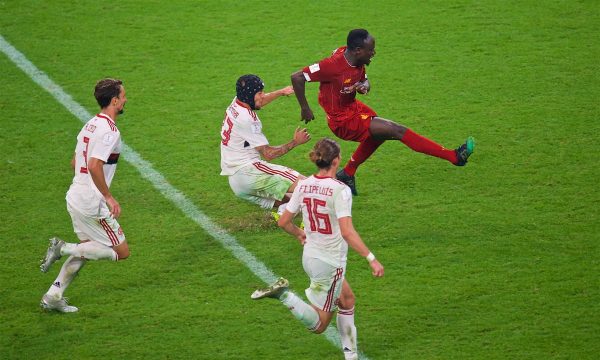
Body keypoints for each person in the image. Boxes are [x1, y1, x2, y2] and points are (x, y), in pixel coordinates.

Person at [291, 28, 475, 195]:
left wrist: (363, 85)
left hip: (354, 108)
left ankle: (347, 173)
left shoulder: (355, 58)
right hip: (342, 121)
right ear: (357, 51)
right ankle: (454, 156)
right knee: (396, 130)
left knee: (378, 135)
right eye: (370, 50)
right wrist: (305, 108)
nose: (374, 53)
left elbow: (365, 81)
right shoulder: (333, 64)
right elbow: (297, 77)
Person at [251, 138, 384, 360]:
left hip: (310, 256)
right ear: (336, 160)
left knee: (347, 300)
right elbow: (347, 232)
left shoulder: (303, 185)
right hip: (330, 263)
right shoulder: (340, 190)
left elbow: (283, 221)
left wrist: (299, 233)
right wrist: (371, 258)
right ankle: (284, 295)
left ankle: (351, 355)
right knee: (320, 325)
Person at [39, 78, 130, 313]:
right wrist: (108, 197)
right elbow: (93, 164)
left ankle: (53, 295)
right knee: (121, 253)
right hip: (92, 202)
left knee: (88, 248)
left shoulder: (89, 124)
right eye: (123, 96)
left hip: (75, 194)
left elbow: (74, 162)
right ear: (114, 100)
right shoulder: (110, 132)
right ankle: (62, 248)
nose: (125, 100)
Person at [220, 74, 311, 216]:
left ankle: (283, 215)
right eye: (260, 93)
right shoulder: (247, 120)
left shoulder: (236, 103)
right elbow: (268, 154)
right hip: (250, 172)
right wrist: (295, 142)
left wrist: (280, 92)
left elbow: (258, 102)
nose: (263, 96)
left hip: (236, 181)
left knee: (293, 202)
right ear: (249, 95)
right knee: (310, 187)